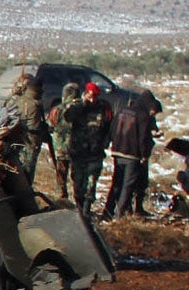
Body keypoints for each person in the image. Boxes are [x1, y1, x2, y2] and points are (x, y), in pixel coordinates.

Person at [103, 84, 162, 220]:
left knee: (116, 183)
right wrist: (144, 155)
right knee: (127, 186)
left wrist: (112, 144)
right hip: (132, 155)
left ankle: (107, 212)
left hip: (117, 152)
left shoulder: (123, 111)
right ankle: (120, 215)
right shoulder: (143, 116)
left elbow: (112, 129)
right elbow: (142, 138)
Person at [55, 81, 110, 216]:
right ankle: (79, 208)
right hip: (79, 152)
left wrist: (106, 141)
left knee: (91, 184)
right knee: (79, 184)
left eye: (95, 97)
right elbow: (67, 117)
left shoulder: (103, 107)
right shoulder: (78, 107)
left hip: (95, 153)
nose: (92, 100)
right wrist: (82, 104)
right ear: (85, 94)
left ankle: (86, 209)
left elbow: (108, 126)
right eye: (90, 96)